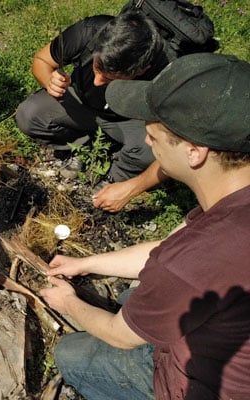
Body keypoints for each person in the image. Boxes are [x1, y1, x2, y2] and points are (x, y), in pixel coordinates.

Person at [40, 52, 250, 399]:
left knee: (70, 354)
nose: (147, 139)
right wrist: (86, 263)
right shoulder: (232, 201)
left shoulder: (199, 256)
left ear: (195, 151)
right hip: (224, 333)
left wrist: (67, 302)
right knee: (135, 295)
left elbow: (121, 334)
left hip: (199, 386)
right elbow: (166, 251)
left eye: (155, 131)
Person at [15, 11, 171, 211]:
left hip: (128, 119)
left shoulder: (167, 73)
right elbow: (42, 61)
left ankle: (115, 177)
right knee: (30, 114)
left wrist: (131, 189)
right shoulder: (90, 31)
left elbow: (180, 148)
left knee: (152, 150)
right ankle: (82, 145)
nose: (97, 82)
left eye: (109, 78)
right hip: (81, 101)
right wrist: (49, 81)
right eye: (96, 70)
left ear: (140, 71)